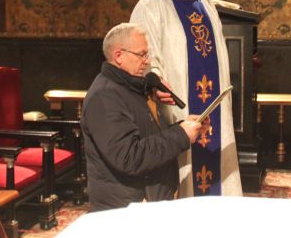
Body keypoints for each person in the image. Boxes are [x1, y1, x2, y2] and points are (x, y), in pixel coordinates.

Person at [130, 0, 242, 197]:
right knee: (185, 166)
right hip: (177, 102)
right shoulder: (152, 4)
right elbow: (144, 53)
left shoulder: (205, 1)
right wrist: (156, 81)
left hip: (211, 101)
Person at [81, 23, 202, 212]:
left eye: (147, 54)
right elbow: (128, 157)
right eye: (142, 54)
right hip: (127, 208)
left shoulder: (130, 87)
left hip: (147, 202)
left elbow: (148, 137)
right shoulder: (104, 97)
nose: (146, 61)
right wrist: (181, 135)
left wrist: (183, 127)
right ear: (119, 56)